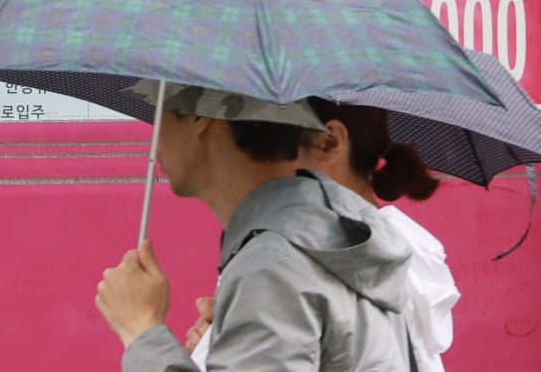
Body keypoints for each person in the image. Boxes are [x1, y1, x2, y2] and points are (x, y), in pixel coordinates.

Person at [96, 85, 414, 371]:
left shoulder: (272, 266)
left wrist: (141, 329)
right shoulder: (327, 238)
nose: (155, 136)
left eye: (160, 111)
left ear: (200, 118)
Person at [185, 99, 460, 371]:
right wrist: (219, 344)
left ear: (328, 143)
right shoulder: (345, 251)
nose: (252, 163)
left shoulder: (353, 258)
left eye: (268, 144)